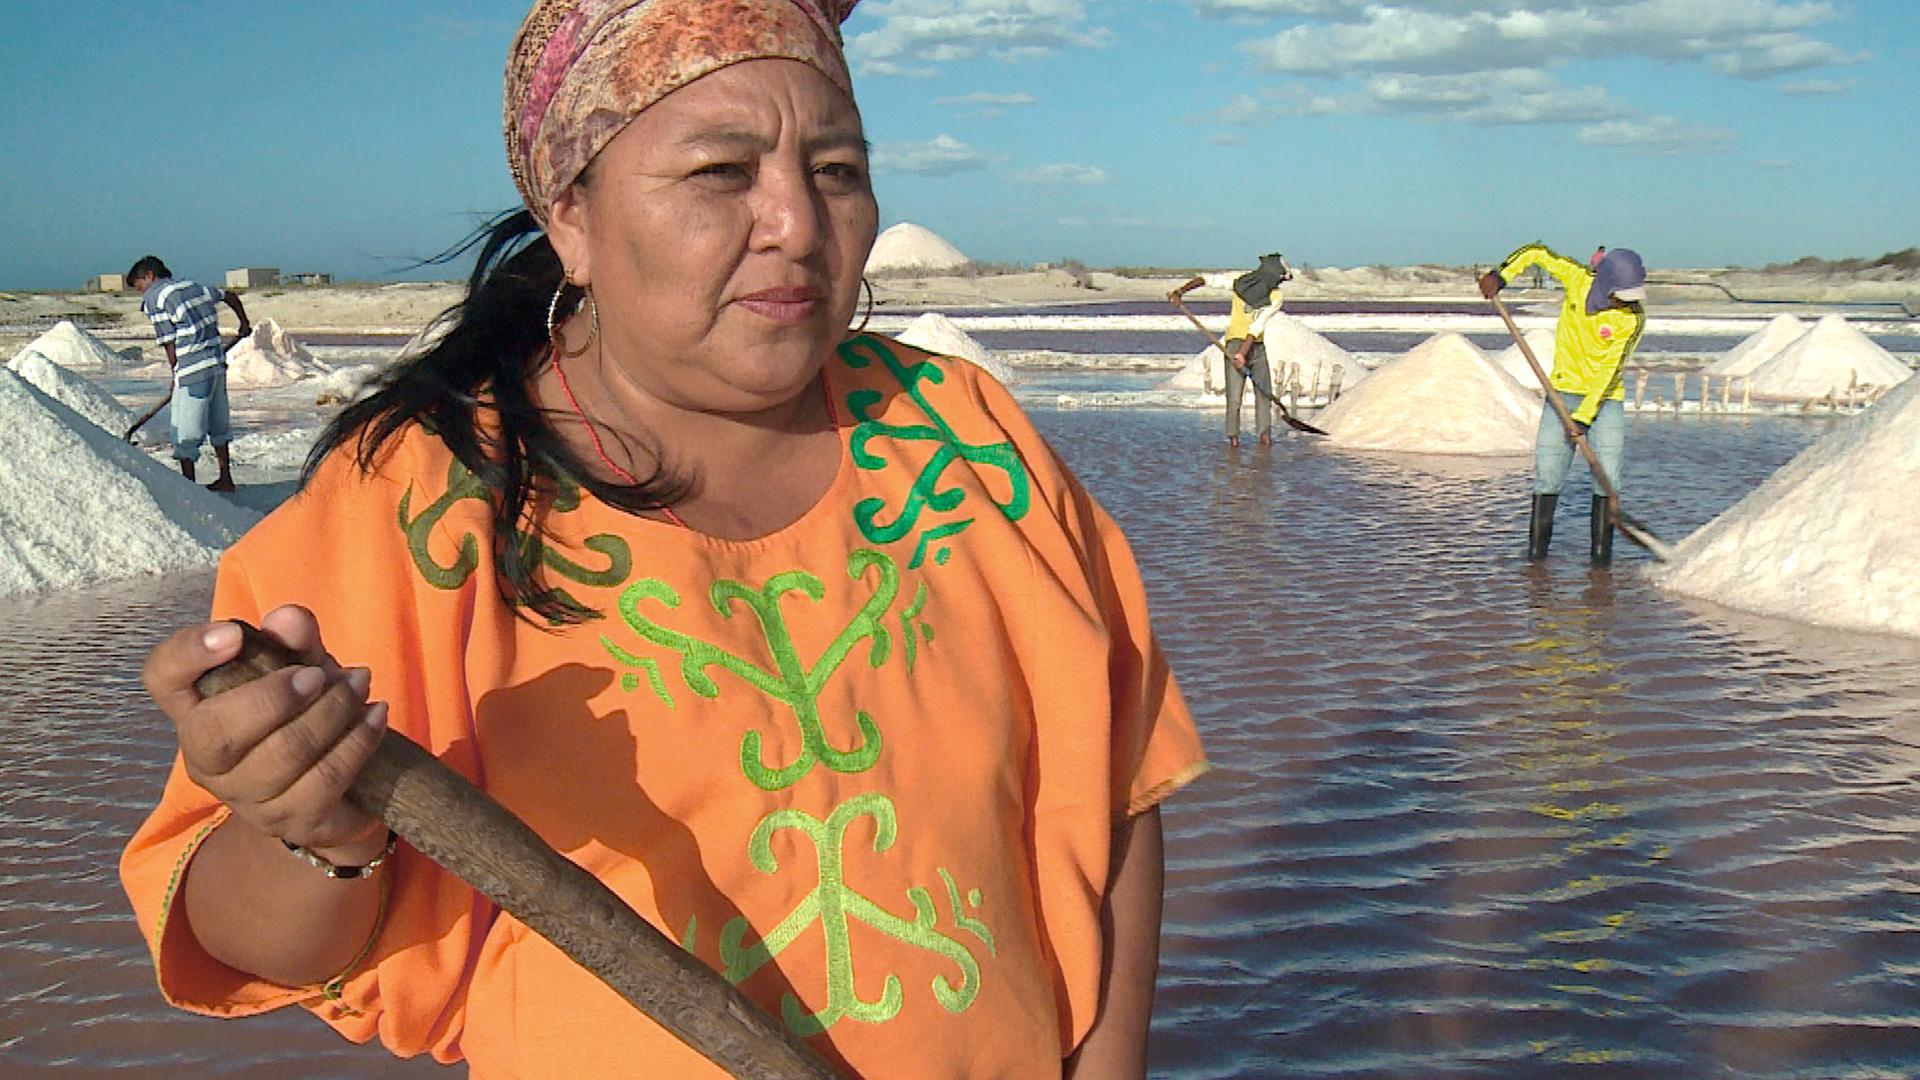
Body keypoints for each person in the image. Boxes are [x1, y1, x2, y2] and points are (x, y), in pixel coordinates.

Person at [119, 3, 1208, 1078]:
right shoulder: (420, 501)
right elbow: (245, 940)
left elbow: (1113, 791)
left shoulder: (965, 437)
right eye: (721, 173)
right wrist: (311, 830)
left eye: (835, 170)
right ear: (572, 219)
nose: (796, 223)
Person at [1479, 244, 1647, 566]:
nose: (1626, 301)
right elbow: (1537, 253)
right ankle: (1536, 559)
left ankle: (1600, 562)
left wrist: (1584, 417)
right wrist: (1502, 275)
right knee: (1547, 476)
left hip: (1605, 400)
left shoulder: (1633, 318)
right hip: (1561, 395)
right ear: (1606, 282)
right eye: (1621, 294)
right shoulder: (1577, 279)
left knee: (1607, 477)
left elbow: (1610, 372)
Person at [126, 255, 249, 491]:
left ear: (150, 276)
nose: (141, 293)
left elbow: (169, 342)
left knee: (185, 433)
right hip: (217, 365)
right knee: (219, 426)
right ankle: (226, 478)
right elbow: (230, 296)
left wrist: (176, 374)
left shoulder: (155, 298)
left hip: (193, 372)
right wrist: (243, 323)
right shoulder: (194, 287)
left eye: (140, 287)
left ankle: (189, 488)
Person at [1168, 252, 1291, 447]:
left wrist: (1244, 353)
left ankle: (1264, 435)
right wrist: (1180, 291)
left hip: (1256, 347)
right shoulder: (1240, 282)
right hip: (1233, 344)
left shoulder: (1276, 296)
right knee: (1234, 397)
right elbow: (1206, 279)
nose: (1281, 282)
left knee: (1264, 393)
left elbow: (1257, 326)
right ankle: (1233, 438)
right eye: (1280, 277)